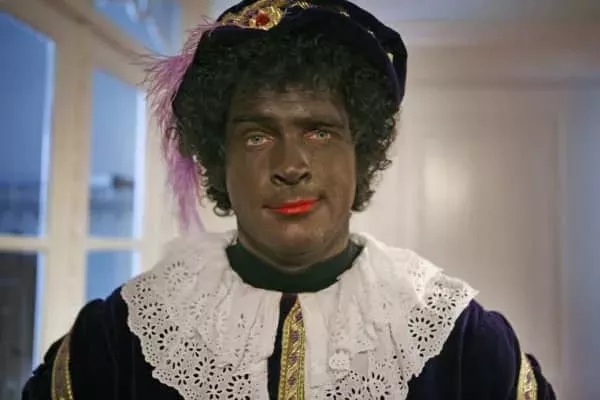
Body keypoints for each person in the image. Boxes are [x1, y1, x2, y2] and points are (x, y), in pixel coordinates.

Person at [22, 0, 556, 399]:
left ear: (361, 151)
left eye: (319, 131)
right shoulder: (115, 341)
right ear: (219, 159)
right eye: (257, 136)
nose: (290, 165)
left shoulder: (464, 343)